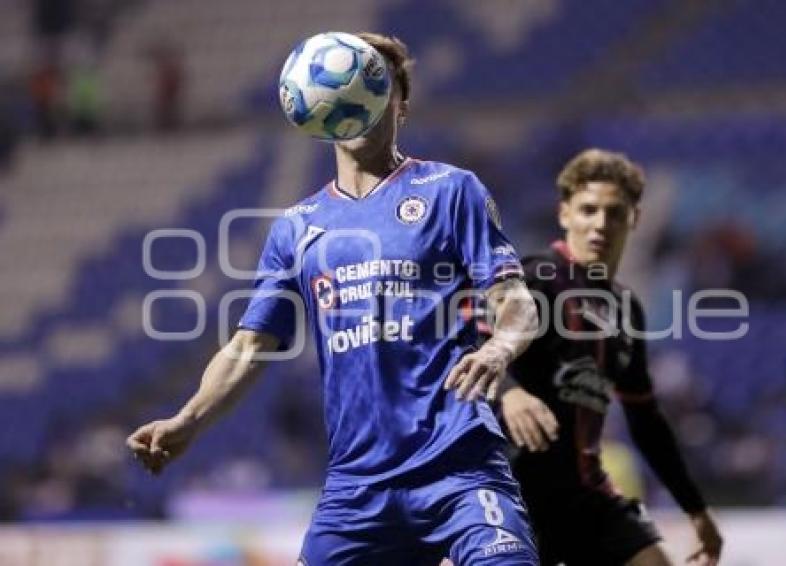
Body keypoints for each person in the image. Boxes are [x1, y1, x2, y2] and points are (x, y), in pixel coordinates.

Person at [127, 33, 540, 565]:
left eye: (376, 85)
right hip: (357, 488)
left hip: (459, 467)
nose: (354, 93)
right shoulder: (297, 228)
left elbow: (517, 302)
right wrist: (189, 420)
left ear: (401, 106)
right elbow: (250, 347)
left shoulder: (449, 190)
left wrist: (499, 349)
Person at [495, 149, 723, 565]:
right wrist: (509, 392)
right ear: (565, 214)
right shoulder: (534, 279)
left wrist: (696, 508)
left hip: (586, 495)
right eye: (588, 210)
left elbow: (645, 418)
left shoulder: (625, 310)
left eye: (615, 212)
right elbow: (465, 347)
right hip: (513, 492)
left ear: (634, 219)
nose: (600, 224)